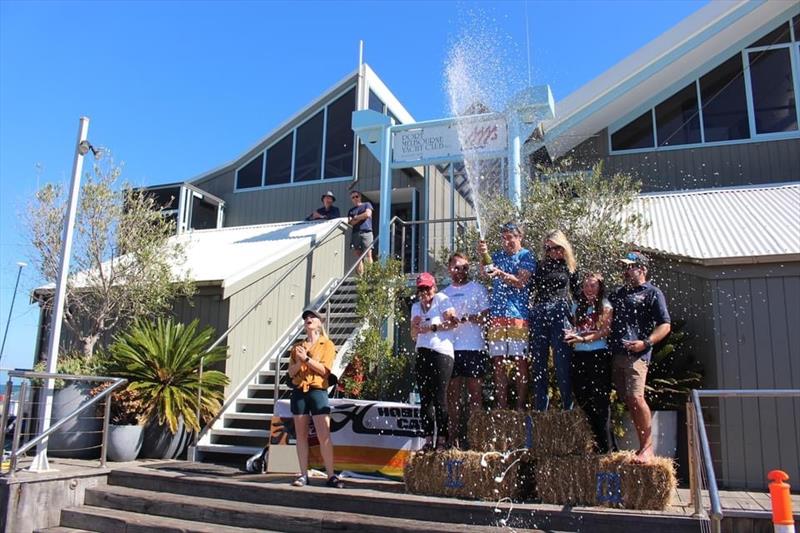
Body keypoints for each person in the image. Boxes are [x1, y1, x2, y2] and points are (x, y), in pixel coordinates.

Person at [609, 251, 671, 463]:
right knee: (627, 399)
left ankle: (647, 448)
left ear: (642, 269)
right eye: (624, 267)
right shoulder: (617, 293)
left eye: (629, 267)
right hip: (616, 354)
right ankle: (636, 447)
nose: (625, 271)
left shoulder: (653, 293)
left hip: (638, 355)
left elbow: (665, 324)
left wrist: (646, 342)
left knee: (636, 397)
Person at [477, 222, 536, 410]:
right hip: (497, 315)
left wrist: (500, 273)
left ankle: (519, 406)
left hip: (518, 316)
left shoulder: (526, 255)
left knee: (520, 361)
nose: (506, 241)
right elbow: (485, 274)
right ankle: (501, 406)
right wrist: (482, 254)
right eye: (504, 238)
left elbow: (520, 282)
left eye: (510, 237)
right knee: (498, 361)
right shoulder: (496, 255)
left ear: (519, 237)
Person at [287, 309, 343, 488]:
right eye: (306, 318)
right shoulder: (298, 347)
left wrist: (307, 360)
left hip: (318, 390)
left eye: (312, 317)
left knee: (323, 434)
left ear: (320, 323)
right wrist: (299, 362)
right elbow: (290, 372)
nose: (308, 319)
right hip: (299, 391)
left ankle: (331, 475)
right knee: (301, 435)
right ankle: (303, 474)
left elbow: (325, 370)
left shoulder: (327, 345)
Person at [441, 253, 490, 448]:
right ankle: (453, 439)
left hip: (474, 348)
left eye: (464, 267)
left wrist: (470, 317)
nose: (461, 271)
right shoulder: (443, 294)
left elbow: (487, 315)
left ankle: (474, 437)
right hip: (450, 350)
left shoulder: (478, 289)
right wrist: (450, 321)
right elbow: (439, 321)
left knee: (475, 396)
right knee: (452, 397)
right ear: (449, 269)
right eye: (457, 267)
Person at [530, 229, 579, 411]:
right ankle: (541, 407)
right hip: (540, 312)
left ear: (564, 247)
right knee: (538, 362)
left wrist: (578, 322)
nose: (553, 252)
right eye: (548, 248)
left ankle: (568, 406)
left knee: (562, 362)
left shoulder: (570, 267)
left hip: (560, 312)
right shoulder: (540, 265)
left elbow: (578, 295)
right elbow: (530, 290)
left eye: (556, 248)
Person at [565, 272, 613, 452]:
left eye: (593, 286)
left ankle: (607, 445)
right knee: (583, 396)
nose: (589, 289)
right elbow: (575, 327)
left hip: (598, 354)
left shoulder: (605, 306)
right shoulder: (577, 305)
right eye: (586, 286)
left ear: (600, 287)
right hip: (579, 355)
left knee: (600, 399)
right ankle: (593, 441)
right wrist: (571, 335)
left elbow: (604, 331)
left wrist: (583, 339)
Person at [410, 272, 458, 450]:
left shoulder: (442, 299)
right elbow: (413, 335)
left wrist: (432, 327)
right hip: (422, 352)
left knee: (440, 397)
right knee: (425, 398)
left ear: (434, 287)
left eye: (427, 288)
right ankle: (428, 438)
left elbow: (453, 322)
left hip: (441, 353)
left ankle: (443, 439)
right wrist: (415, 327)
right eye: (421, 289)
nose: (424, 292)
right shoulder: (416, 307)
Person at [347, 191, 373, 276]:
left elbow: (368, 214)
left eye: (356, 196)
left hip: (367, 232)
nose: (355, 198)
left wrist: (356, 217)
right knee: (358, 256)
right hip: (355, 233)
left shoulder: (367, 204)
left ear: (360, 197)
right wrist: (362, 217)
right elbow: (351, 223)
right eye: (353, 197)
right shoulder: (351, 210)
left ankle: (369, 275)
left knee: (368, 254)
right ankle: (361, 277)